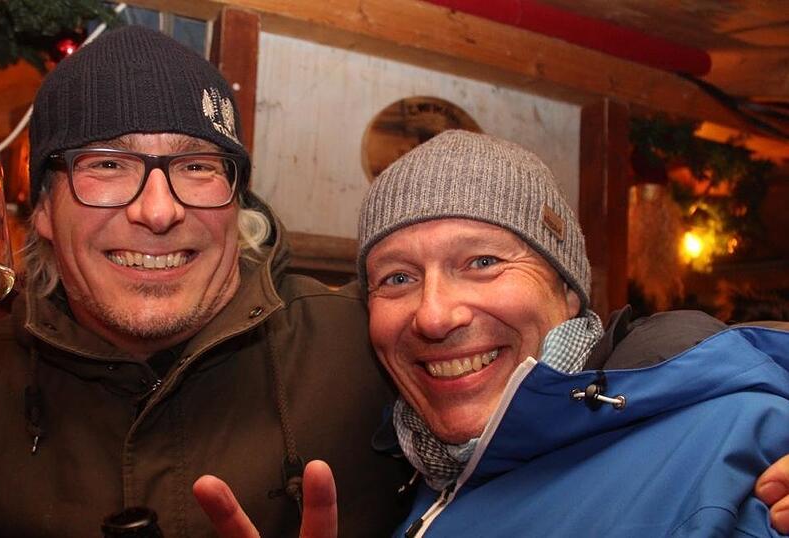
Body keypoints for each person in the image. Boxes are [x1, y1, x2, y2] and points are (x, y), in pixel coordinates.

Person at [0, 26, 410, 536]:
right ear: (42, 210)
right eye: (107, 163)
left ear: (236, 198)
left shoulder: (369, 351)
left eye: (198, 166)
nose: (158, 212)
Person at [194, 130, 789, 537]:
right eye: (397, 277)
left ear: (567, 291)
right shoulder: (426, 473)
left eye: (481, 262)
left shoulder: (729, 454)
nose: (434, 315)